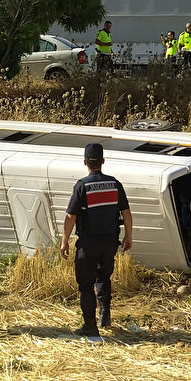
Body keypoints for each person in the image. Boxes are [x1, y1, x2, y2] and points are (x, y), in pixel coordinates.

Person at [60, 143, 132, 338]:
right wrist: (128, 236)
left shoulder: (82, 186)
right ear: (103, 161)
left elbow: (70, 216)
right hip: (110, 242)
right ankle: (105, 313)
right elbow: (126, 212)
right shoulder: (115, 184)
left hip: (89, 243)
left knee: (85, 284)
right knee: (104, 277)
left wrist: (64, 240)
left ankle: (90, 326)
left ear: (85, 162)